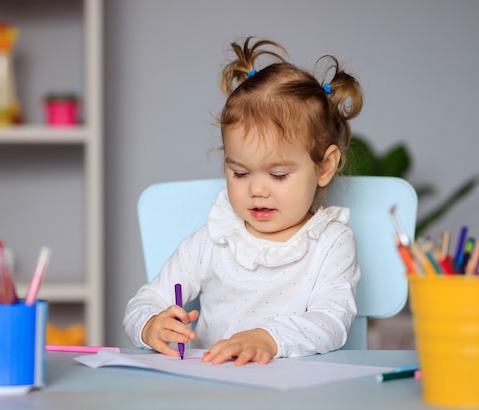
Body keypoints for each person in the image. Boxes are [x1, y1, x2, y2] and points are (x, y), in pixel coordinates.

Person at [123, 37, 363, 366]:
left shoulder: (331, 242)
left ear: (324, 166)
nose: (257, 191)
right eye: (239, 173)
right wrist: (150, 325)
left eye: (278, 175)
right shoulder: (213, 240)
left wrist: (266, 337)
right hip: (215, 388)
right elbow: (144, 302)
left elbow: (331, 322)